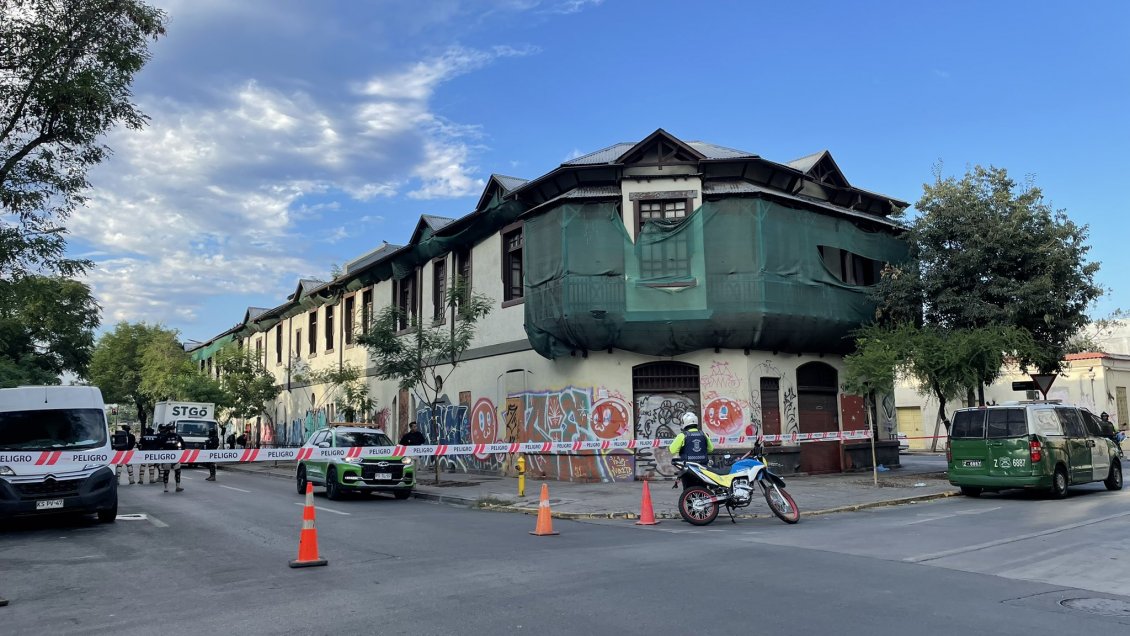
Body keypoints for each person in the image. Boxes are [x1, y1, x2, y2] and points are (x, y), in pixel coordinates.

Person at [157, 424, 185, 493]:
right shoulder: (170, 437)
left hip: (172, 457)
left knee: (172, 472)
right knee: (171, 472)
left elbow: (183, 444)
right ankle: (171, 487)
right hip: (171, 457)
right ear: (169, 430)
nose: (173, 430)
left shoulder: (172, 436)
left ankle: (172, 487)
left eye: (173, 429)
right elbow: (159, 446)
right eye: (172, 429)